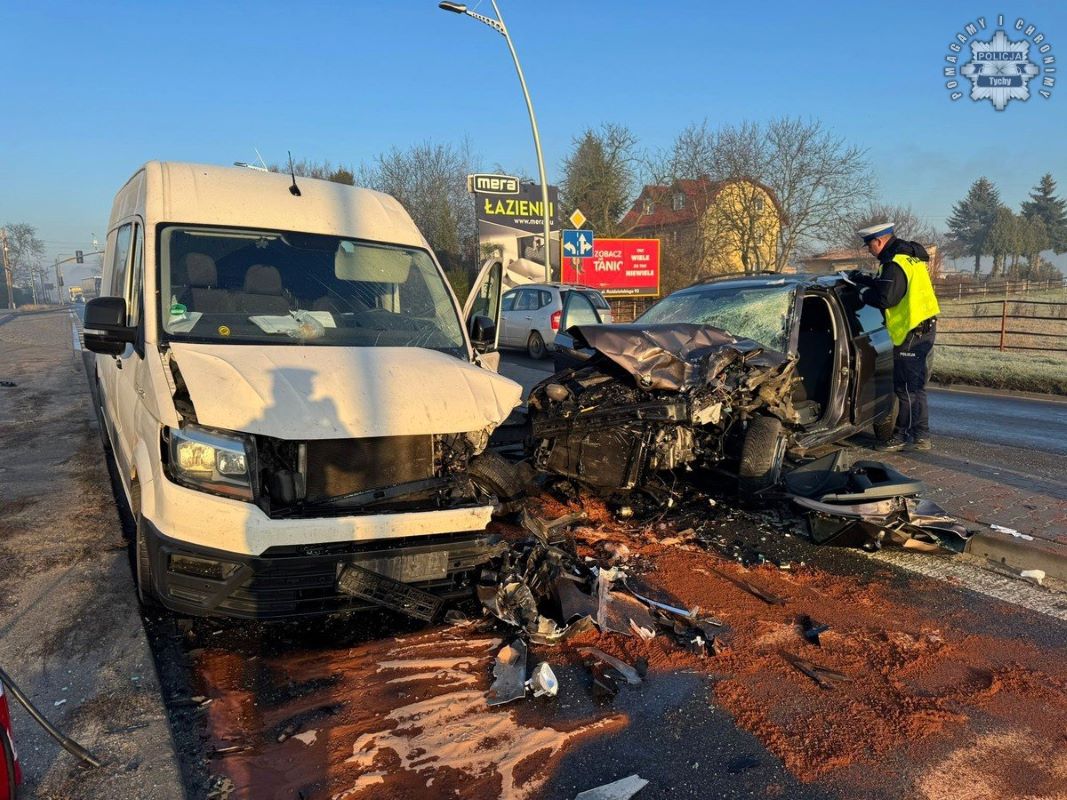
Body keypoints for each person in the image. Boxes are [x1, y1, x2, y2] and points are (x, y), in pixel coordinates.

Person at [850, 222, 941, 452]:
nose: (868, 250)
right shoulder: (907, 257)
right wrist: (862, 278)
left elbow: (885, 298)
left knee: (907, 389)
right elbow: (887, 285)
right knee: (916, 388)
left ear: (879, 242)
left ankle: (902, 436)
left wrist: (861, 292)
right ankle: (921, 435)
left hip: (912, 331)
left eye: (869, 246)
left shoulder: (894, 263)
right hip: (923, 328)